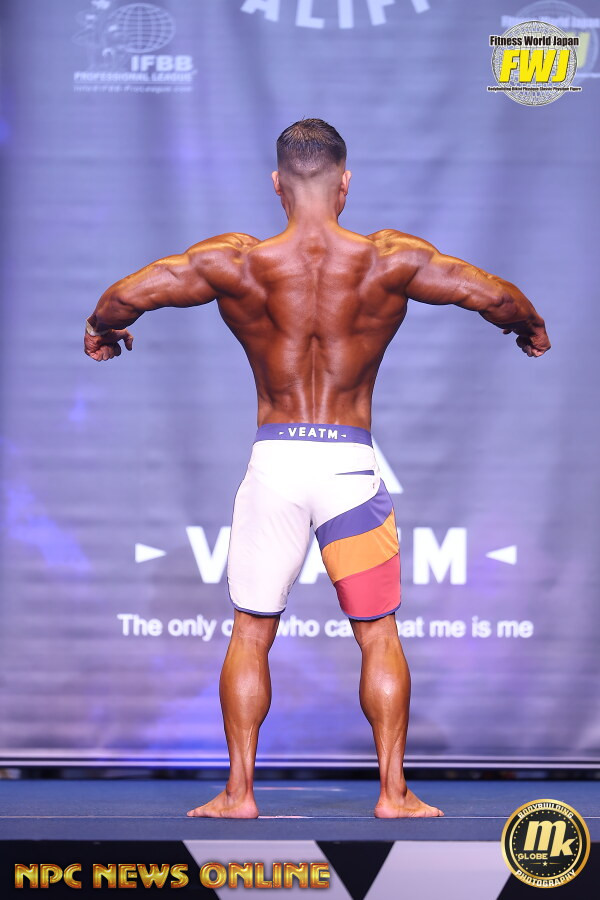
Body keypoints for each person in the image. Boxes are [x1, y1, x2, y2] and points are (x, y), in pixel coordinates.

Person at [84, 118, 550, 819]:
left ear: (277, 184)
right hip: (349, 465)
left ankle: (239, 794)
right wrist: (526, 326)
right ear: (345, 183)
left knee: (250, 631)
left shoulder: (236, 263)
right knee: (378, 634)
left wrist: (102, 327)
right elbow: (488, 293)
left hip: (275, 461)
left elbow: (128, 295)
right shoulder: (388, 259)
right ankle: (392, 794)